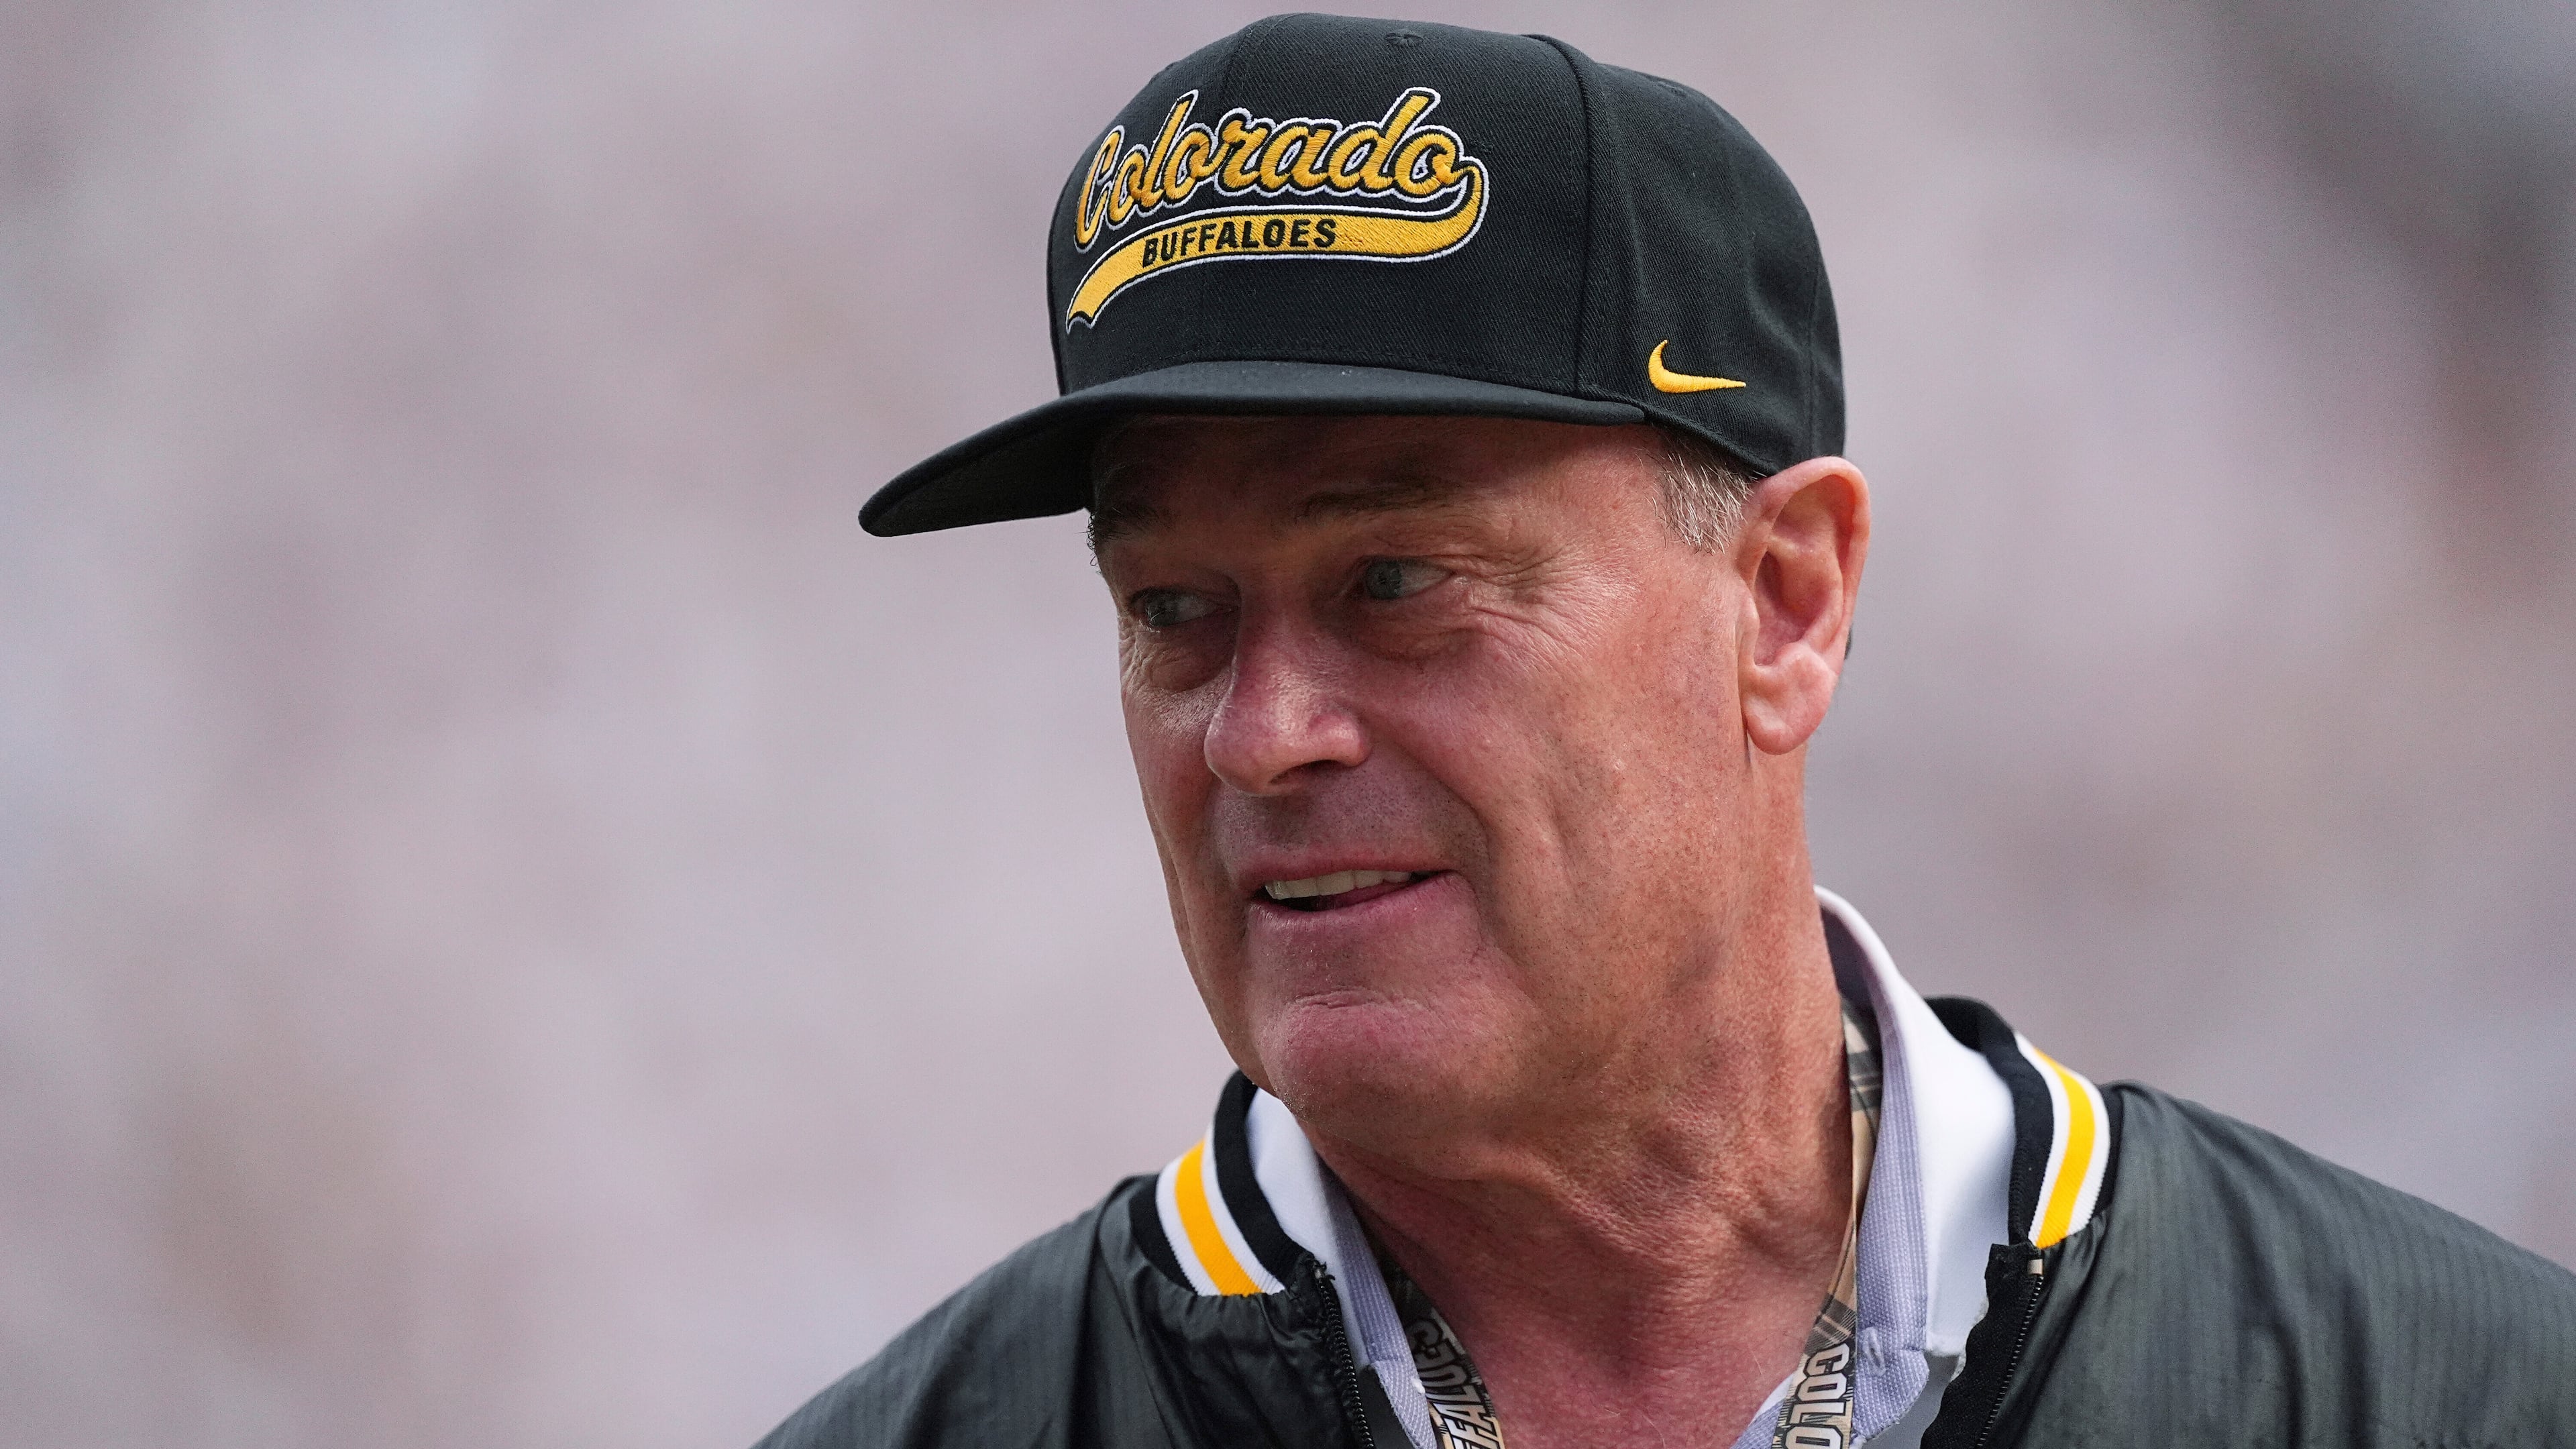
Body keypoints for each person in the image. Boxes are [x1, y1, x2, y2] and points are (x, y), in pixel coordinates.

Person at [763, 15, 2576, 1448]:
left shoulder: (2453, 1395)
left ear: (1787, 599)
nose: (1262, 735)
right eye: (1175, 612)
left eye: (1397, 579)